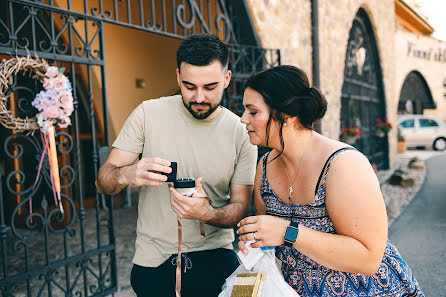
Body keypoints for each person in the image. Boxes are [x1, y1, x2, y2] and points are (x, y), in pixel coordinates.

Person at [236, 65, 424, 296]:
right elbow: (271, 236)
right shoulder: (264, 167)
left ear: (286, 116)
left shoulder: (343, 164)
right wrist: (255, 240)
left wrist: (288, 231)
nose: (243, 119)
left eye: (252, 111)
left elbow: (369, 258)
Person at [96, 33, 257, 297]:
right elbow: (104, 181)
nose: (200, 97)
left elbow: (240, 208)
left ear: (227, 79)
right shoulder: (147, 113)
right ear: (178, 77)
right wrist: (127, 174)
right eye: (190, 86)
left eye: (210, 87)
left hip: (217, 259)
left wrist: (208, 214)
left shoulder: (241, 131)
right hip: (154, 261)